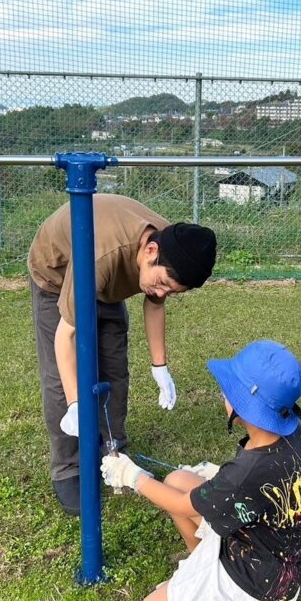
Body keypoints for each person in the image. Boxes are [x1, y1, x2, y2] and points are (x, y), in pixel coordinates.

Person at [101, 340, 301, 601]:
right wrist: (219, 476)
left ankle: (268, 600)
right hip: (274, 539)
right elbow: (259, 486)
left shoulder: (246, 474)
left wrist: (132, 476)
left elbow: (182, 505)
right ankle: (201, 568)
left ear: (246, 404)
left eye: (230, 388)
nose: (223, 392)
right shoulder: (292, 432)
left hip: (263, 573)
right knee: (178, 478)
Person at [28, 192, 217, 516]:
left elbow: (155, 303)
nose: (161, 292)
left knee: (114, 370)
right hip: (58, 277)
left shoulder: (173, 247)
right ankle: (68, 469)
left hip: (108, 281)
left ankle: (113, 452)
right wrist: (75, 405)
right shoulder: (103, 255)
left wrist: (160, 366)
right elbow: (65, 338)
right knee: (62, 382)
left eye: (172, 290)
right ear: (150, 251)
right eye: (161, 283)